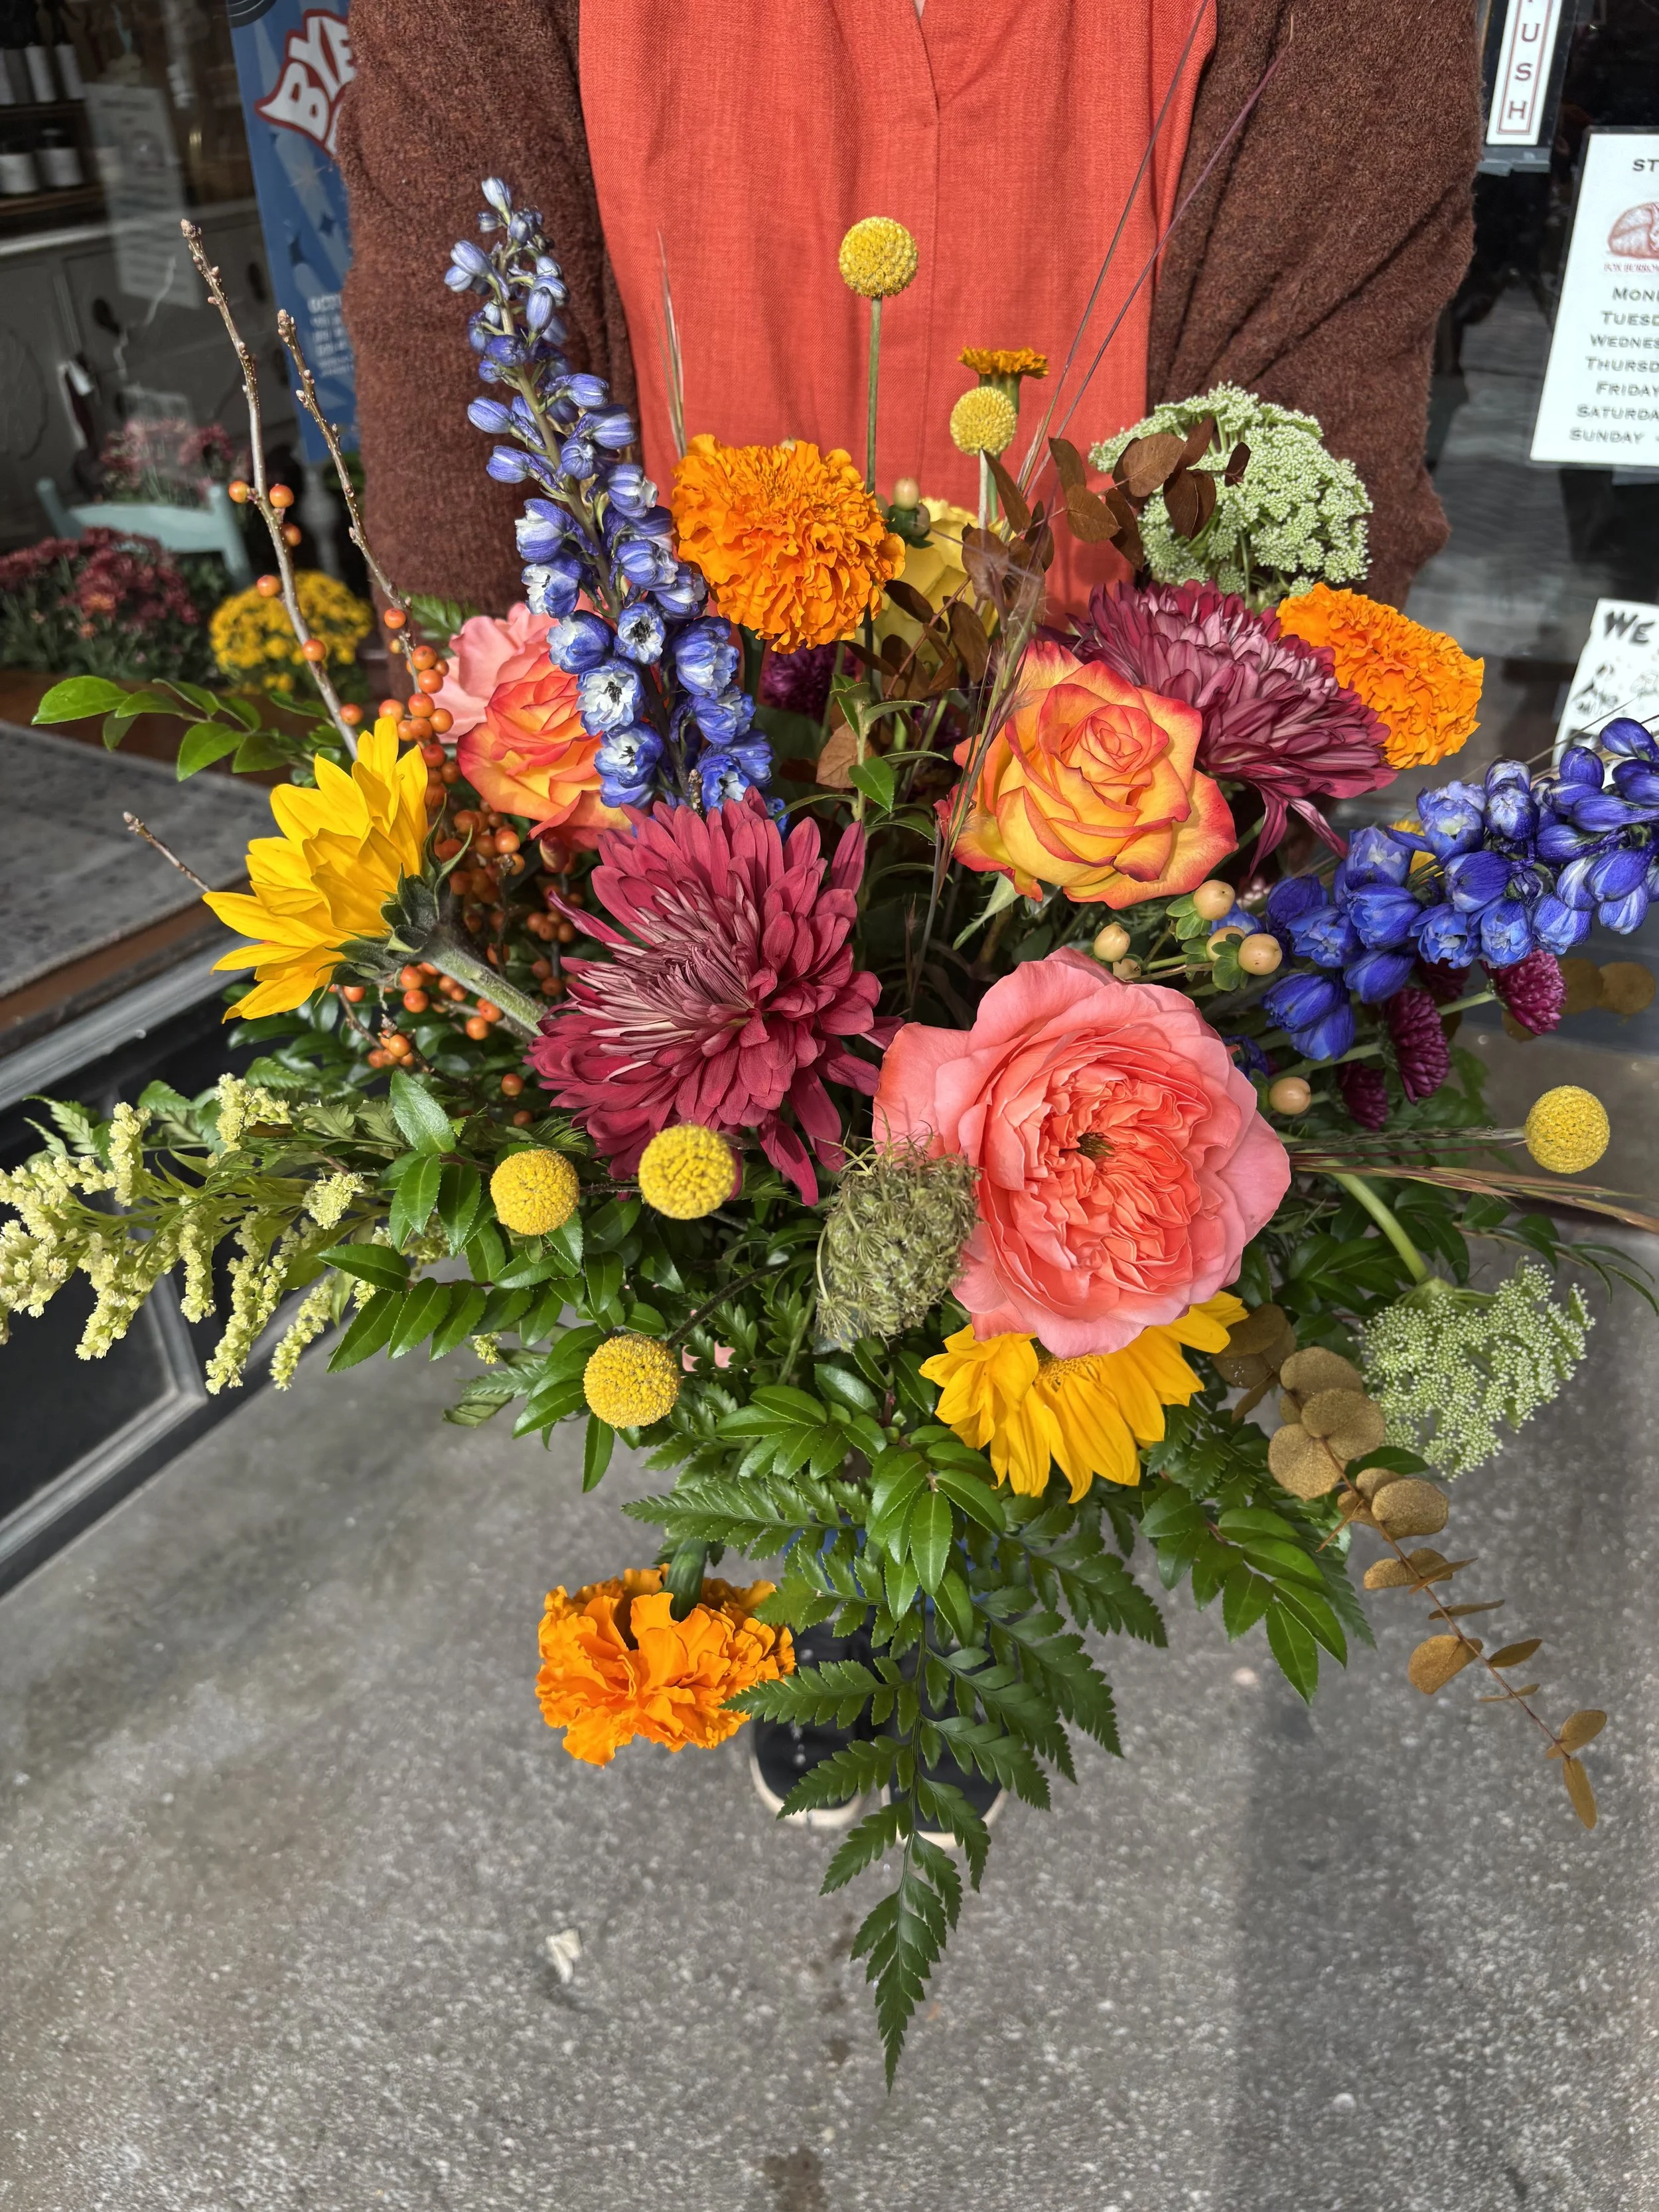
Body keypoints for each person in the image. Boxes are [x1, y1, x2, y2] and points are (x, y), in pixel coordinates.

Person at [333, 0, 1482, 1825]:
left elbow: (1304, 494)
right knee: (728, 1234)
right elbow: (459, 413)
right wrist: (526, 800)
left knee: (1053, 1241)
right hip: (684, 780)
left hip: (1104, 800)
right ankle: (844, 1583)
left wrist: (1154, 851)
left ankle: (916, 1599)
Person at [336, 0, 1482, 617]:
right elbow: (466, 472)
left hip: (1123, 915)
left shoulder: (1336, 32)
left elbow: (1310, 565)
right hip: (651, 854)